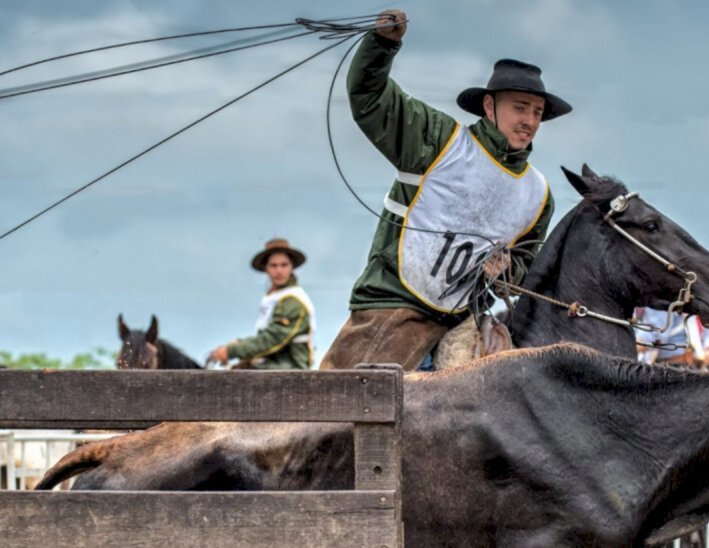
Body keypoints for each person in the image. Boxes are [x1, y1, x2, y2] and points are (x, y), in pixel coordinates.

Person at [321, 9, 572, 371]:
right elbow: (371, 99)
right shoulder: (440, 140)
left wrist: (505, 271)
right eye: (520, 108)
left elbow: (524, 268)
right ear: (489, 106)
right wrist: (381, 44)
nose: (530, 121)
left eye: (537, 112)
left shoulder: (539, 194)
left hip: (462, 325)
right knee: (328, 415)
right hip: (394, 308)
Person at [208, 239, 316, 370]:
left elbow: (272, 339)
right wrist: (241, 344)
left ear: (291, 267)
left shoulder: (293, 300)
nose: (279, 271)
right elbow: (265, 337)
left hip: (292, 369)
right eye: (274, 265)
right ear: (266, 268)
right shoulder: (273, 297)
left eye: (284, 265)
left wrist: (231, 351)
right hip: (271, 365)